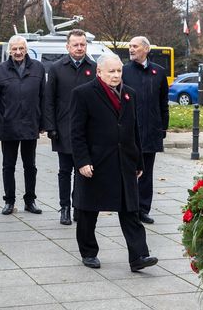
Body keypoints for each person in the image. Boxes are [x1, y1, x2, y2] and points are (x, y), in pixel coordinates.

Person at [70, 53, 158, 271]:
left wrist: (138, 161)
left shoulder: (130, 94)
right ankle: (88, 252)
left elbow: (133, 129)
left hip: (123, 162)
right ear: (99, 72)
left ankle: (139, 256)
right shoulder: (83, 94)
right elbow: (76, 132)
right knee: (88, 210)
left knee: (131, 211)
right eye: (111, 71)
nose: (116, 75)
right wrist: (82, 161)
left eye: (119, 71)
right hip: (95, 162)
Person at [44, 29, 96, 225]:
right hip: (63, 128)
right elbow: (49, 100)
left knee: (83, 171)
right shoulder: (57, 68)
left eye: (82, 44)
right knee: (65, 171)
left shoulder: (94, 67)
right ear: (67, 46)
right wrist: (51, 127)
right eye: (75, 44)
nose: (79, 48)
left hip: (87, 130)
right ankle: (64, 207)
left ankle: (78, 207)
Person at [0, 35, 45, 215]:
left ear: (26, 49)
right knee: (8, 166)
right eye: (14, 49)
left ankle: (30, 201)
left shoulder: (38, 67)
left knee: (30, 166)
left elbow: (43, 98)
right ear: (9, 51)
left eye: (21, 48)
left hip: (31, 124)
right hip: (9, 125)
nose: (18, 52)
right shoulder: (0, 70)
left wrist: (43, 123)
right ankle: (9, 201)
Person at [122, 36, 169, 224]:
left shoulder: (158, 72)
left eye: (135, 46)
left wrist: (163, 127)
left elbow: (163, 103)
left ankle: (143, 209)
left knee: (147, 173)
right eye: (130, 46)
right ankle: (129, 208)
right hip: (129, 131)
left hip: (151, 131)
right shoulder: (124, 71)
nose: (131, 49)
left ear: (146, 49)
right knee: (129, 171)